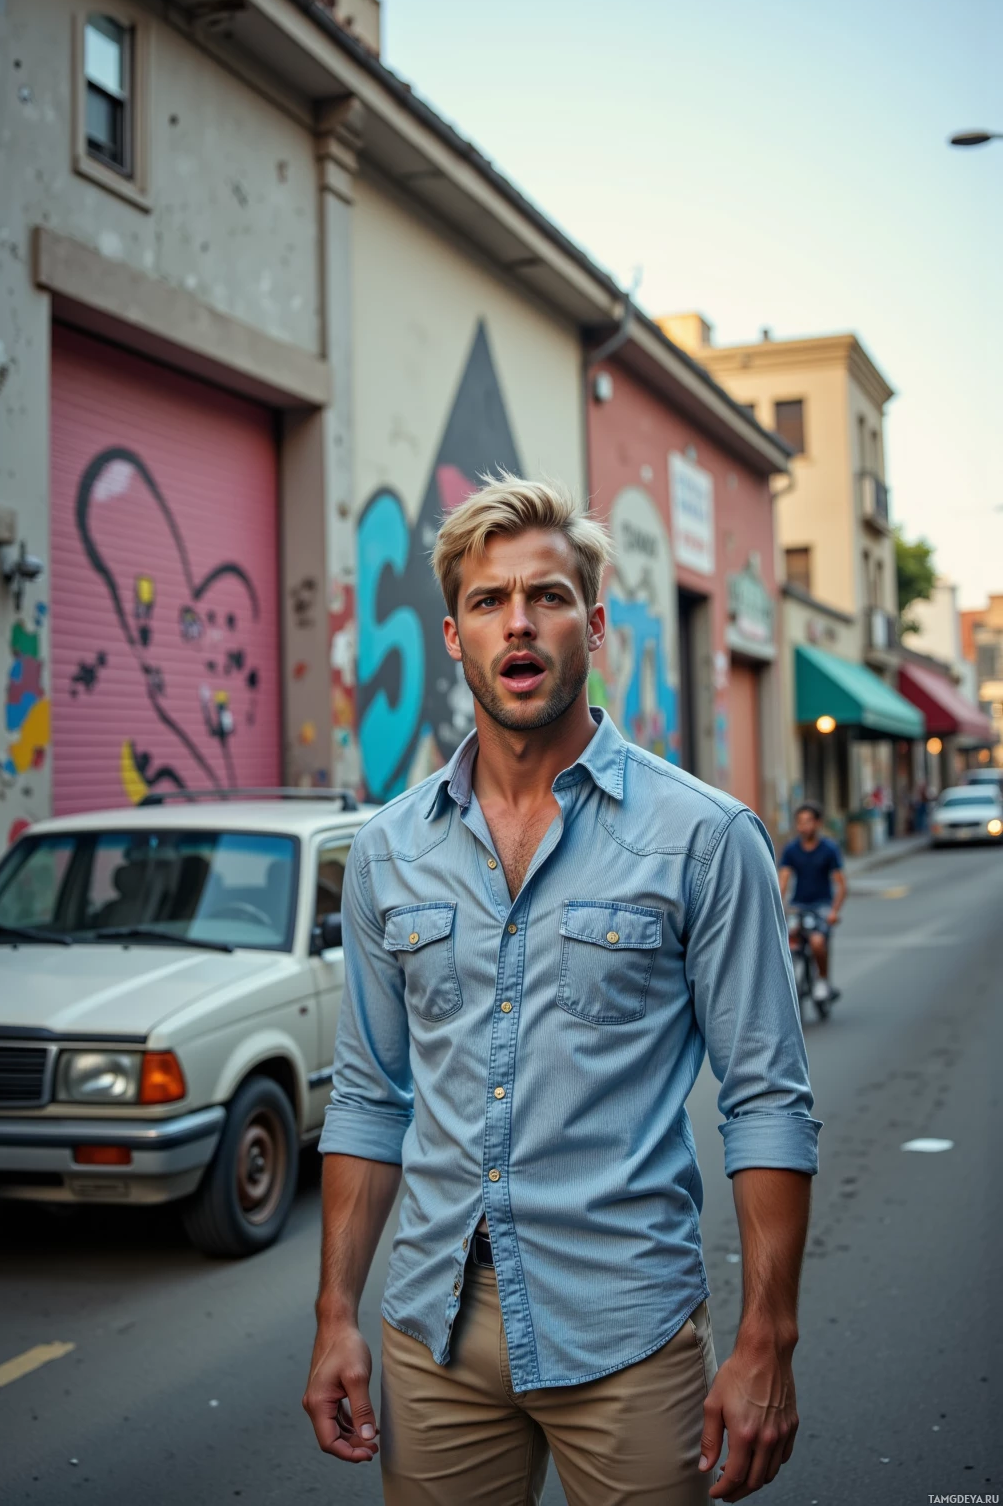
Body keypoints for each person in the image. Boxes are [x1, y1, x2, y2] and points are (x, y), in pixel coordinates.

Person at [303, 477, 820, 1505]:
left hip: (625, 1328)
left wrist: (767, 1337)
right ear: (452, 635)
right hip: (430, 1331)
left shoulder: (704, 838)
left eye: (545, 597)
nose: (518, 622)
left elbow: (766, 1101)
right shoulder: (387, 851)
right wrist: (334, 1317)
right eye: (489, 602)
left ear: (592, 624)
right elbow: (367, 1097)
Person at [777, 803, 847, 1005]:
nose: (803, 827)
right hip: (798, 905)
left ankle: (822, 981)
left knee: (817, 942)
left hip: (822, 906)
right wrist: (778, 907)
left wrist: (834, 911)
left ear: (817, 823)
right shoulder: (791, 850)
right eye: (799, 822)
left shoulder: (829, 849)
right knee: (786, 944)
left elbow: (841, 885)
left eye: (808, 821)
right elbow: (783, 881)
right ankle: (787, 988)